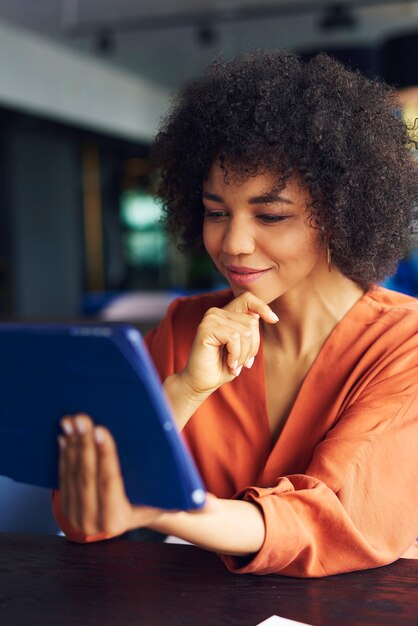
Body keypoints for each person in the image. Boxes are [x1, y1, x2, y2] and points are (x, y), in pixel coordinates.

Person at [53, 50, 418, 577]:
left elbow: (334, 520)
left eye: (270, 215)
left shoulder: (403, 344)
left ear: (342, 213)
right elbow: (81, 514)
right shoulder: (185, 330)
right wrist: (186, 390)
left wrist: (163, 507)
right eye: (215, 212)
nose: (233, 243)